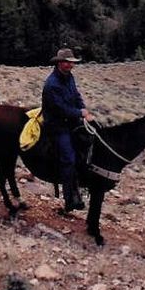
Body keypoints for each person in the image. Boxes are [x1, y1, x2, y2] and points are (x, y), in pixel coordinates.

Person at [42, 47, 93, 212]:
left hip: (71, 120)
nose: (70, 65)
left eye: (71, 62)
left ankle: (80, 185)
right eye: (67, 62)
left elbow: (76, 96)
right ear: (59, 63)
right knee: (68, 158)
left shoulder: (69, 77)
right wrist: (80, 112)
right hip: (57, 124)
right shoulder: (52, 84)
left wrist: (84, 110)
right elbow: (60, 109)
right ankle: (69, 199)